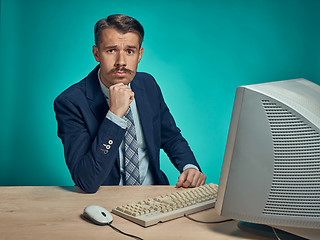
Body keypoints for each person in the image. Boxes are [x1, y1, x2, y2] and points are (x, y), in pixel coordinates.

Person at [54, 14, 206, 193]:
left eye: (130, 51)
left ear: (139, 54)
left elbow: (171, 136)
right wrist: (114, 116)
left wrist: (190, 167)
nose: (121, 62)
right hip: (105, 201)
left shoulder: (148, 84)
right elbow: (87, 180)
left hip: (154, 196)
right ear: (96, 54)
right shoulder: (70, 103)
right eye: (111, 50)